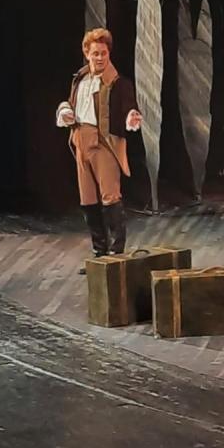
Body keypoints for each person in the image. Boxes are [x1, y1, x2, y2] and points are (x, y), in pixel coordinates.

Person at [56, 28, 142, 268]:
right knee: (88, 200)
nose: (100, 58)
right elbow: (72, 103)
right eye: (95, 53)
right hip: (80, 141)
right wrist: (66, 111)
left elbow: (129, 106)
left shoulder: (117, 82)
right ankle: (99, 254)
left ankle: (115, 254)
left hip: (102, 143)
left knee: (110, 197)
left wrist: (131, 116)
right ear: (87, 53)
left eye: (104, 53)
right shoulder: (80, 79)